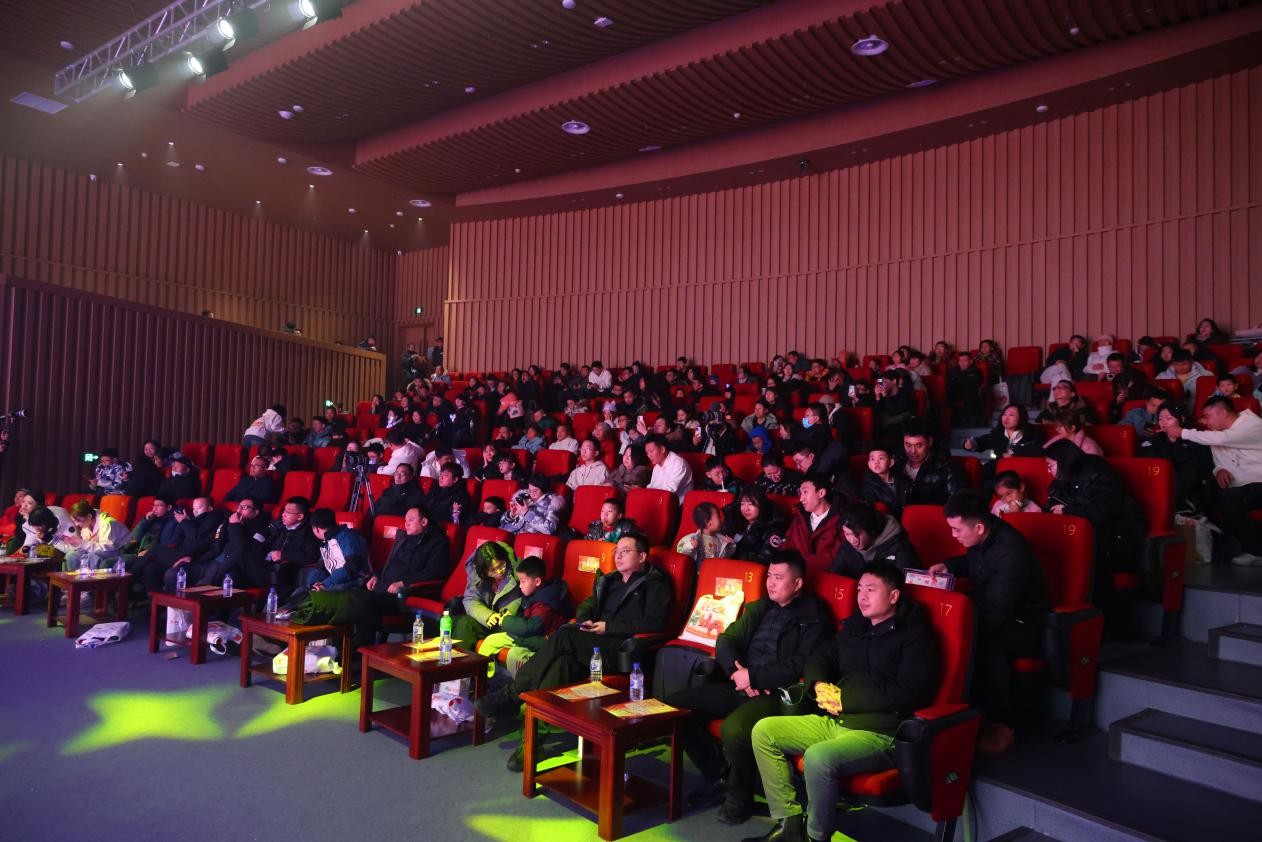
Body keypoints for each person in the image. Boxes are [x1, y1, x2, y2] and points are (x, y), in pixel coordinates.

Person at [746, 560, 940, 842]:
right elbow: (820, 656)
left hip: (880, 732)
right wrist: (819, 685)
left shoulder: (915, 637)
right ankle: (790, 826)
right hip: (837, 720)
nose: (862, 596)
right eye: (860, 589)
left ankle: (816, 836)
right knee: (764, 731)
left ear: (894, 596)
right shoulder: (856, 627)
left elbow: (907, 691)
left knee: (818, 757)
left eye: (871, 589)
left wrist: (844, 698)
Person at [476, 533, 674, 769]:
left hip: (621, 649)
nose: (619, 555)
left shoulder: (655, 583)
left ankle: (512, 695)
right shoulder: (609, 580)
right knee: (561, 664)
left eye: (625, 551)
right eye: (617, 551)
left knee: (564, 634)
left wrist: (609, 627)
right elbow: (586, 606)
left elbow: (654, 622)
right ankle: (532, 739)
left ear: (641, 557)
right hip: (592, 644)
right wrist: (584, 621)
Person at [665, 555, 831, 825]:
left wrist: (754, 677)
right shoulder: (761, 607)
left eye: (779, 578)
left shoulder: (814, 616)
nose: (770, 583)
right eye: (769, 576)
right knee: (674, 709)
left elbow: (800, 663)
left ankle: (740, 800)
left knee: (735, 729)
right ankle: (720, 776)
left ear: (798, 583)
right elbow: (726, 639)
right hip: (740, 684)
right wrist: (737, 672)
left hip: (776, 693)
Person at [928, 492, 1050, 756]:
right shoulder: (983, 537)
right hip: (993, 608)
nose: (953, 535)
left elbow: (996, 612)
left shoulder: (1011, 551)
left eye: (957, 529)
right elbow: (976, 563)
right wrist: (949, 566)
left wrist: (962, 629)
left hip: (1024, 620)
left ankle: (1003, 725)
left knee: (987, 644)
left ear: (979, 527)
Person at [1160, 396, 1262, 565]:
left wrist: (1182, 432)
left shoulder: (1252, 425)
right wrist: (1219, 470)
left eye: (1207, 416)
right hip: (1239, 486)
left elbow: (1224, 439)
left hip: (1258, 483)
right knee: (1206, 490)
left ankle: (1256, 550)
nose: (1205, 422)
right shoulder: (1217, 433)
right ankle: (1215, 545)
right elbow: (1218, 461)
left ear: (1222, 413)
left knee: (1230, 498)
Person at [479, 555, 574, 677]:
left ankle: (491, 680)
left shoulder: (545, 603)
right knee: (491, 641)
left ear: (537, 582)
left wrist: (505, 621)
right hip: (530, 638)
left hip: (543, 641)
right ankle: (482, 678)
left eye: (523, 581)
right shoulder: (533, 594)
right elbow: (525, 619)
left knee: (510, 652)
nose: (520, 585)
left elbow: (530, 627)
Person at [289, 508, 371, 603]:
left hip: (356, 583)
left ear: (316, 529)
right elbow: (321, 567)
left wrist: (325, 584)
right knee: (301, 592)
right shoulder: (326, 541)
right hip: (336, 582)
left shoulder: (348, 537)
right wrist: (314, 584)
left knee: (315, 597)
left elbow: (352, 567)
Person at [451, 541, 522, 650]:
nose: (499, 572)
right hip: (487, 622)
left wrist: (508, 614)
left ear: (505, 558)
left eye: (501, 565)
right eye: (492, 570)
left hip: (507, 624)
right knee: (464, 623)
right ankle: (459, 660)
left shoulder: (518, 572)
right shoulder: (478, 576)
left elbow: (520, 598)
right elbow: (470, 599)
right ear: (484, 571)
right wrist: (488, 616)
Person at [829, 502, 920, 577]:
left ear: (871, 530)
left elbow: (905, 588)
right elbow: (833, 575)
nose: (852, 540)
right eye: (847, 534)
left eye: (857, 535)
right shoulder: (848, 545)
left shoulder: (900, 549)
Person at [248, 497, 319, 592]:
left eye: (288, 512)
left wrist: (283, 555)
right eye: (284, 510)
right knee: (236, 572)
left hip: (281, 572)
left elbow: (311, 556)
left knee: (242, 553)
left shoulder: (310, 533)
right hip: (265, 564)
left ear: (300, 516)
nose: (283, 514)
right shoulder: (279, 525)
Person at [783, 474, 843, 574]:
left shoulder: (841, 521)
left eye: (805, 492)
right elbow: (786, 545)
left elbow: (834, 557)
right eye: (800, 493)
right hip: (795, 573)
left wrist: (799, 565)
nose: (801, 499)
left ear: (821, 493)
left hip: (824, 576)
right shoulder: (800, 519)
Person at [898, 423, 963, 506]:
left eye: (918, 446)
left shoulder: (947, 469)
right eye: (908, 445)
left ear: (930, 442)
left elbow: (957, 505)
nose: (913, 451)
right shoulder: (896, 464)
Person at [61, 500, 132, 571]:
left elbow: (107, 548)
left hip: (120, 550)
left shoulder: (106, 524)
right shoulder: (86, 526)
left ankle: (90, 577)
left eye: (78, 521)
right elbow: (87, 546)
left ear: (89, 516)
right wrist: (74, 543)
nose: (76, 524)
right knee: (71, 556)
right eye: (74, 521)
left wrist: (81, 543)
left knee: (92, 556)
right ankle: (73, 577)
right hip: (101, 551)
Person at [727, 487, 788, 565]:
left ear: (761, 505)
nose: (746, 509)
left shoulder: (773, 528)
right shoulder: (740, 522)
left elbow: (765, 559)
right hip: (736, 566)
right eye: (742, 504)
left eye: (750, 504)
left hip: (752, 569)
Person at [963, 405, 1044, 458]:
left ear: (1021, 418)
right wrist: (970, 444)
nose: (1006, 418)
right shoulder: (998, 434)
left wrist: (1013, 454)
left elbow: (1037, 450)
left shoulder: (1031, 432)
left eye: (1011, 415)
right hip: (1002, 469)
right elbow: (982, 442)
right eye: (1004, 414)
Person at [858, 448, 910, 518]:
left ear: (890, 462)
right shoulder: (867, 487)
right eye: (872, 459)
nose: (876, 462)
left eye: (881, 458)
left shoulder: (903, 480)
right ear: (869, 464)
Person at [645, 433, 694, 502]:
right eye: (647, 453)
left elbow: (669, 491)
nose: (649, 456)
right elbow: (653, 486)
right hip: (661, 500)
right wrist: (643, 491)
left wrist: (648, 494)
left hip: (678, 504)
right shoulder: (657, 466)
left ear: (662, 449)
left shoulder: (679, 464)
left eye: (651, 451)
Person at [946, 353, 986, 425]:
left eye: (965, 360)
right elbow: (949, 384)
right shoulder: (952, 371)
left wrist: (959, 380)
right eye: (960, 360)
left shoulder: (976, 371)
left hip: (970, 399)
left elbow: (975, 383)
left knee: (969, 389)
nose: (962, 363)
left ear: (970, 361)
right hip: (955, 396)